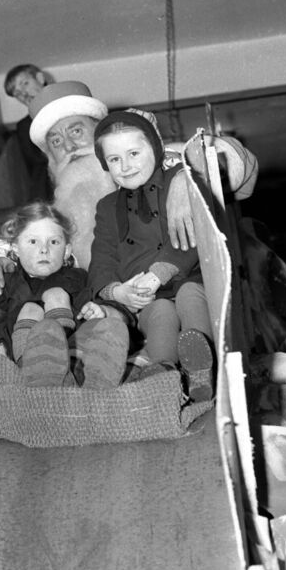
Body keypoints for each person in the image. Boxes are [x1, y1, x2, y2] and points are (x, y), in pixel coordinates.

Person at [0, 80, 258, 296]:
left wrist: (187, 178)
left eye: (76, 131)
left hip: (184, 293)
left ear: (101, 133)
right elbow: (23, 241)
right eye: (56, 141)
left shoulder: (155, 163)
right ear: (50, 158)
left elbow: (242, 167)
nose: (69, 146)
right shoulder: (56, 216)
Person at [88, 108, 214, 399]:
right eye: (114, 159)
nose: (125, 166)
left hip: (188, 278)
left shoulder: (178, 183)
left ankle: (201, 369)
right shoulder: (107, 207)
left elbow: (196, 236)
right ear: (105, 165)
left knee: (190, 296)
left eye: (134, 153)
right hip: (146, 297)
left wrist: (158, 274)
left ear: (156, 150)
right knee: (160, 312)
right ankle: (162, 375)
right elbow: (102, 259)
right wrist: (116, 291)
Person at [0, 200, 131, 389]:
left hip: (73, 359)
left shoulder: (78, 279)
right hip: (22, 369)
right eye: (33, 241)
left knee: (66, 302)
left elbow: (104, 306)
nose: (44, 249)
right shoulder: (2, 282)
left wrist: (100, 311)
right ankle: (37, 376)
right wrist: (0, 360)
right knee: (30, 310)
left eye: (54, 242)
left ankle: (85, 381)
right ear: (15, 248)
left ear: (66, 251)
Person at [4, 64, 53, 201]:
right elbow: (37, 163)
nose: (24, 94)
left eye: (25, 83)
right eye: (17, 94)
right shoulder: (25, 127)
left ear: (40, 78)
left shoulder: (72, 105)